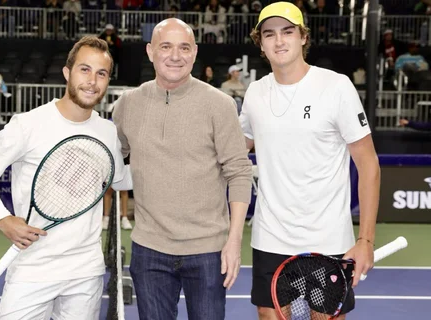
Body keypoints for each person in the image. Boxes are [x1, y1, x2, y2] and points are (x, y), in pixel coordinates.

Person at [0, 36, 132, 320]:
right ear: (67, 73)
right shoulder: (28, 124)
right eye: (85, 69)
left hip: (85, 273)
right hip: (32, 270)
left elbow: (120, 181)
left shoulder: (107, 132)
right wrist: (2, 219)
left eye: (101, 73)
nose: (92, 80)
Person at [239, 2, 381, 319]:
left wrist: (365, 240)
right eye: (269, 34)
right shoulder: (255, 93)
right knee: (269, 315)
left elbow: (368, 164)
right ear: (260, 43)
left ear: (303, 37)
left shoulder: (336, 87)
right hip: (270, 236)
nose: (279, 41)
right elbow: (235, 151)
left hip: (328, 238)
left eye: (287, 32)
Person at [112, 18, 253, 320]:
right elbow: (109, 160)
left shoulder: (220, 105)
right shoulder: (127, 104)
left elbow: (239, 173)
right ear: (150, 51)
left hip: (207, 252)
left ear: (194, 52)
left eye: (184, 47)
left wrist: (234, 241)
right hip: (149, 250)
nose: (175, 56)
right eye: (166, 46)